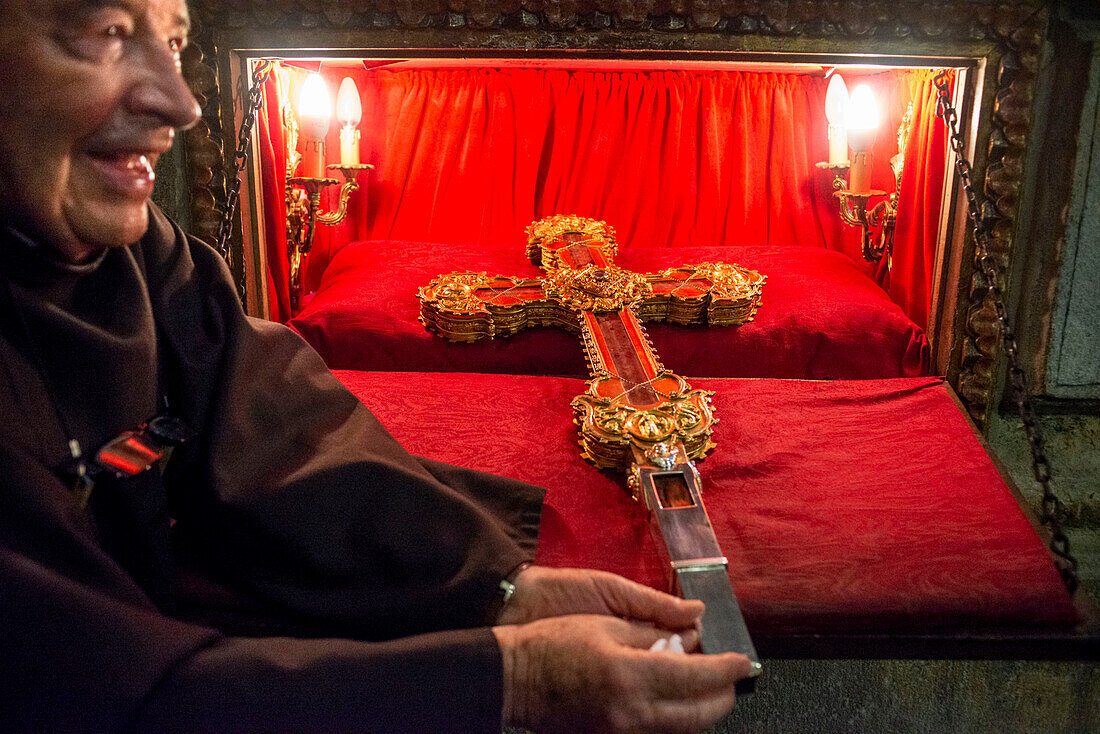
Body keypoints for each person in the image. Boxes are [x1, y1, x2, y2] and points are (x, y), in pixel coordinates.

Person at [0, 0, 754, 730]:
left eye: (173, 42)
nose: (181, 104)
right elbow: (94, 691)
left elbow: (275, 431)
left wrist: (500, 587)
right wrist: (511, 678)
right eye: (105, 34)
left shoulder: (129, 248)